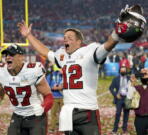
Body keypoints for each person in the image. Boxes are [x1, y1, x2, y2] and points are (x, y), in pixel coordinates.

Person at [18, 5, 146, 135]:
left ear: (79, 41)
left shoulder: (90, 51)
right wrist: (28, 36)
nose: (65, 39)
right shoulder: (62, 55)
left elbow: (107, 46)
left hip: (87, 111)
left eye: (69, 37)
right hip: (68, 111)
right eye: (64, 38)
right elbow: (44, 51)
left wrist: (116, 34)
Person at [0, 44, 53, 135]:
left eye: (11, 55)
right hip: (17, 115)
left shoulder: (32, 71)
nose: (7, 57)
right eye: (6, 55)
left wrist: (43, 107)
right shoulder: (1, 71)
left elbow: (48, 95)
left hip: (35, 116)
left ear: (21, 57)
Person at [109, 65, 130, 133]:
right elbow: (111, 88)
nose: (123, 71)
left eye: (124, 70)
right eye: (122, 70)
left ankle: (125, 129)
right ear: (120, 71)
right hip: (119, 98)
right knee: (118, 114)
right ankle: (115, 129)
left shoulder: (129, 78)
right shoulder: (116, 79)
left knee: (126, 114)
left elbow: (134, 87)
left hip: (127, 98)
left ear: (126, 71)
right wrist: (115, 95)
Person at [129, 68, 148, 135]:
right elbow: (129, 97)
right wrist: (132, 82)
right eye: (143, 73)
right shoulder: (136, 87)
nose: (144, 72)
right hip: (139, 118)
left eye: (146, 72)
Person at [46, 63, 63, 133]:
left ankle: (63, 128)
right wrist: (53, 88)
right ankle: (52, 127)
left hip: (63, 96)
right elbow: (46, 86)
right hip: (54, 97)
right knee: (53, 113)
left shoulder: (64, 75)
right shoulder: (50, 75)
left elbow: (67, 84)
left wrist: (61, 87)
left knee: (63, 113)